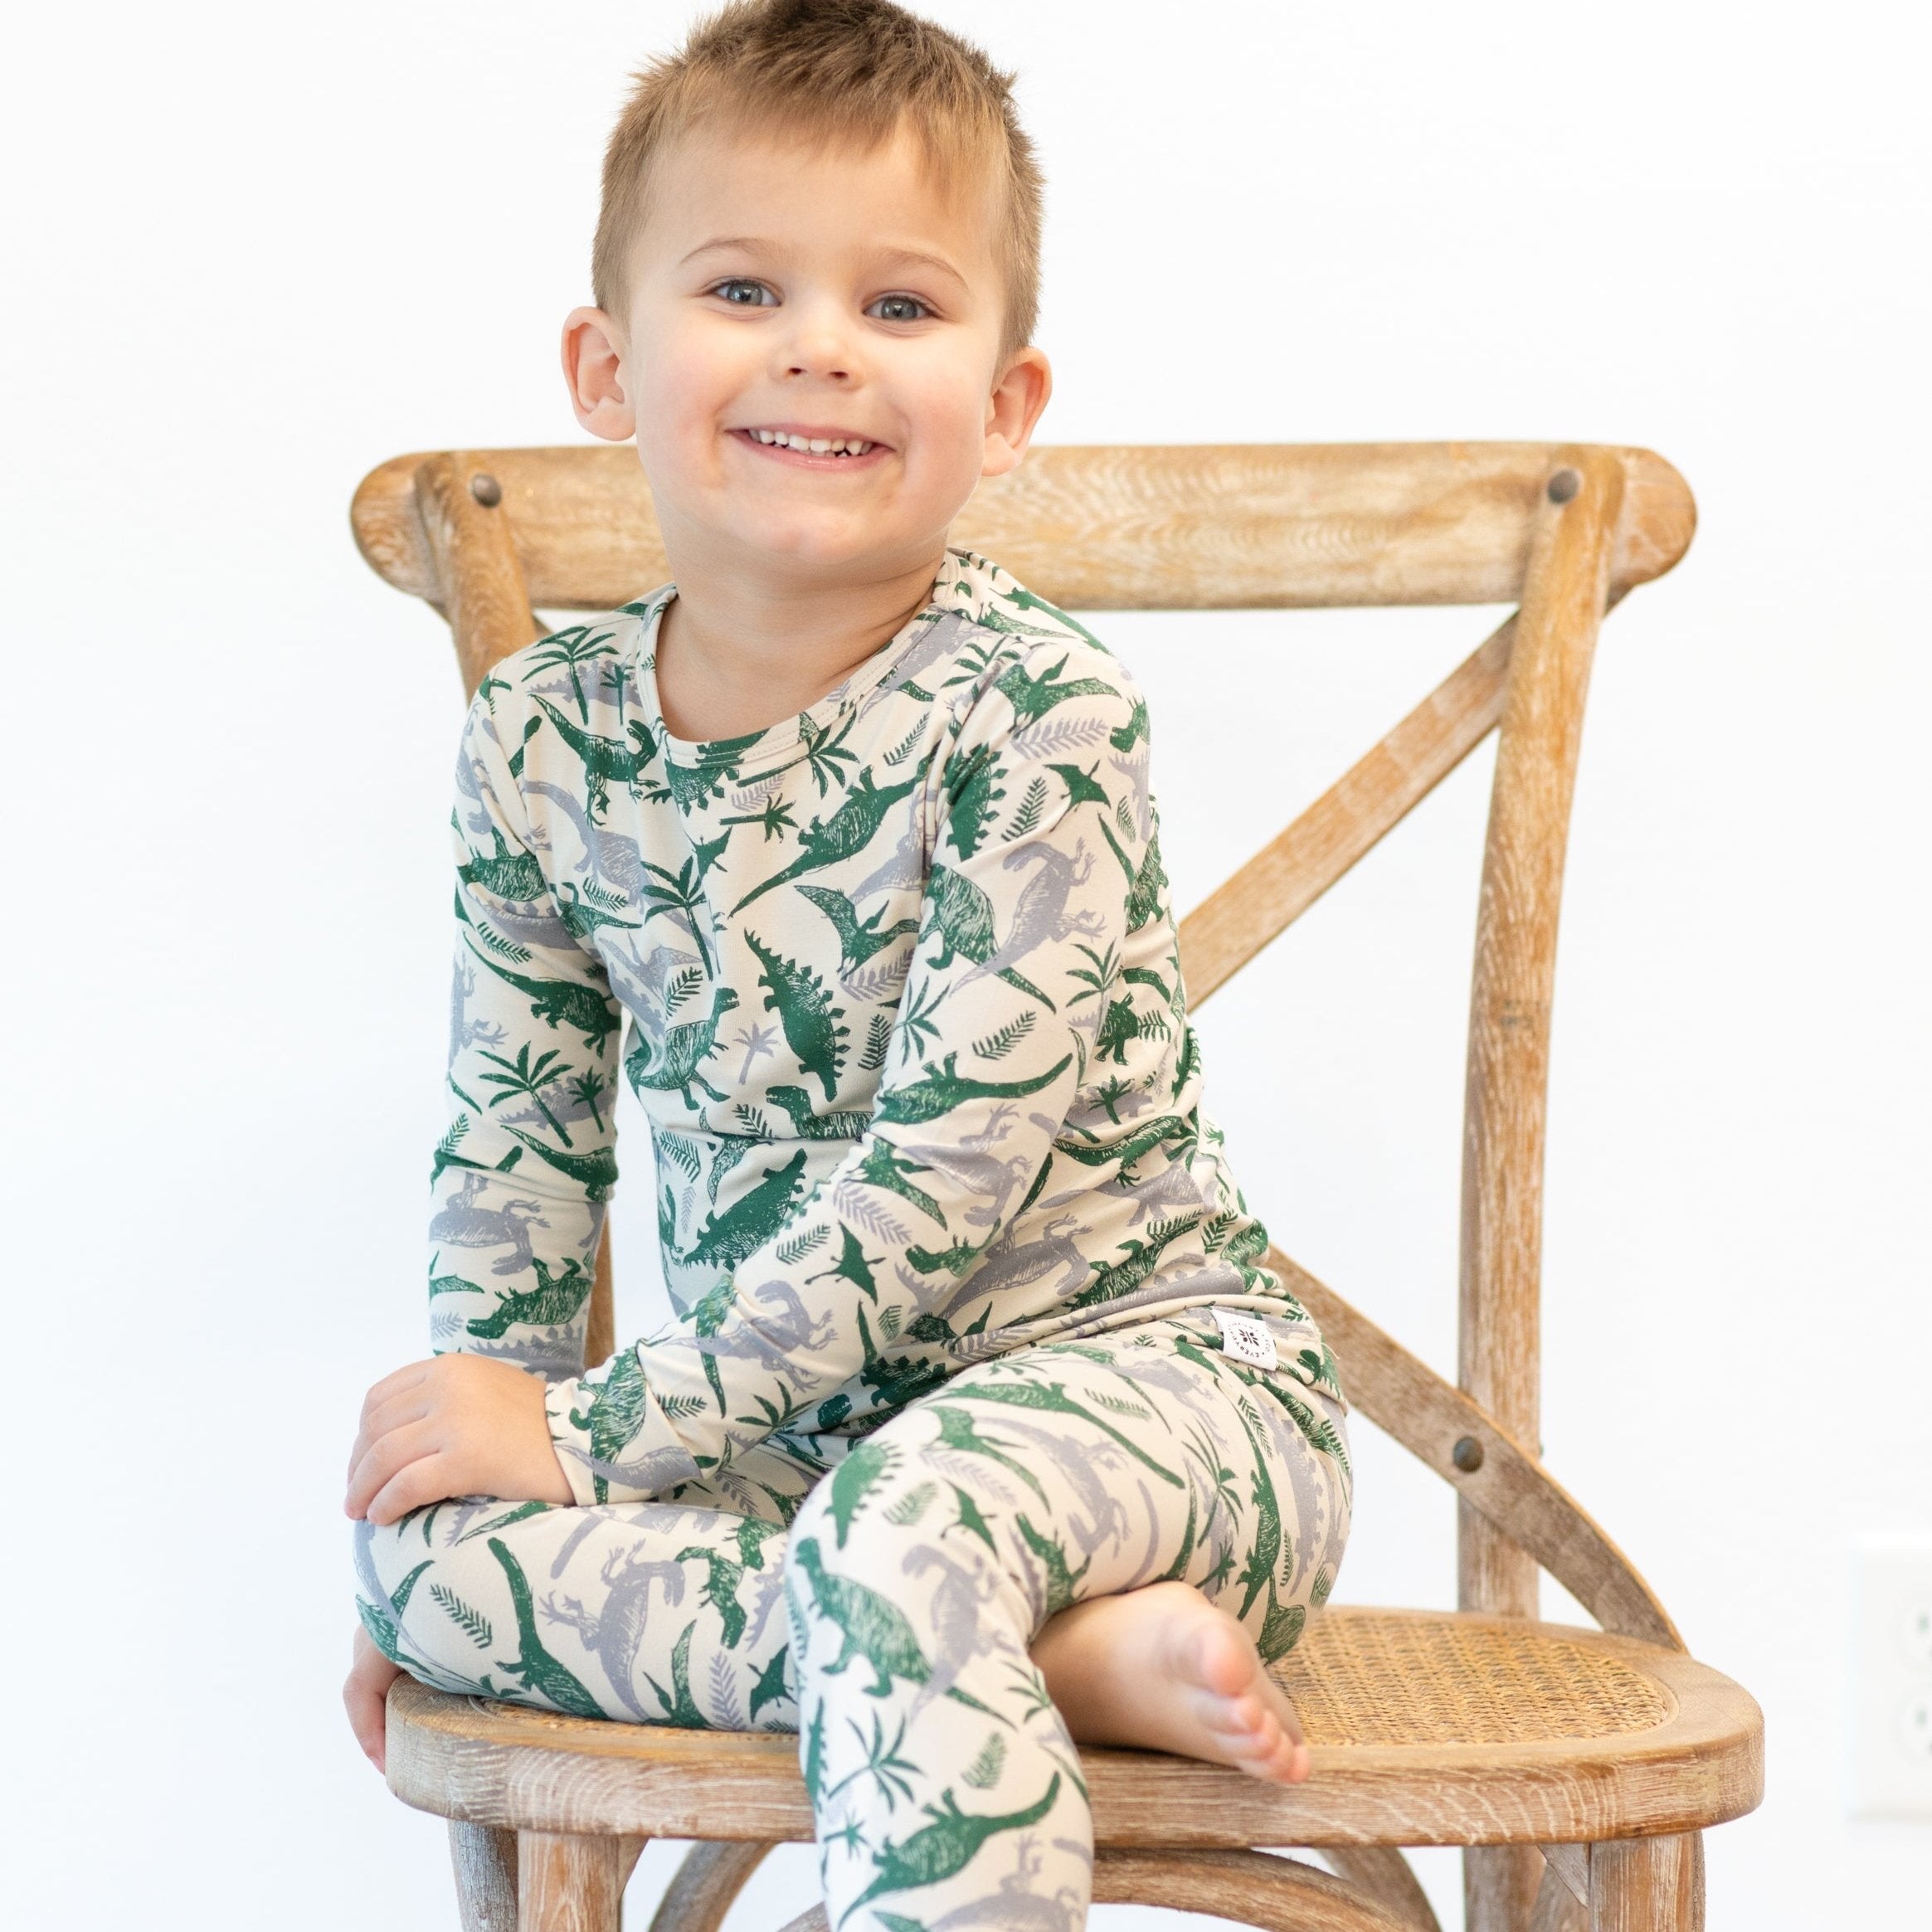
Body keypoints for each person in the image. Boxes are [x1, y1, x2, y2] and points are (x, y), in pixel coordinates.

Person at [343, 2, 1350, 1923]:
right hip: (798, 1459)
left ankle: (945, 1609)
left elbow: (940, 1190)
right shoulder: (540, 738)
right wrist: (491, 1456)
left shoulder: (1035, 710)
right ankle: (1028, 1655)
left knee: (913, 1514)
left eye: (899, 304)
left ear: (1007, 403)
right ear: (605, 365)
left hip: (1160, 1409)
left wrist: (590, 1434)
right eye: (744, 287)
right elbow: (516, 1153)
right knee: (425, 1564)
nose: (820, 344)